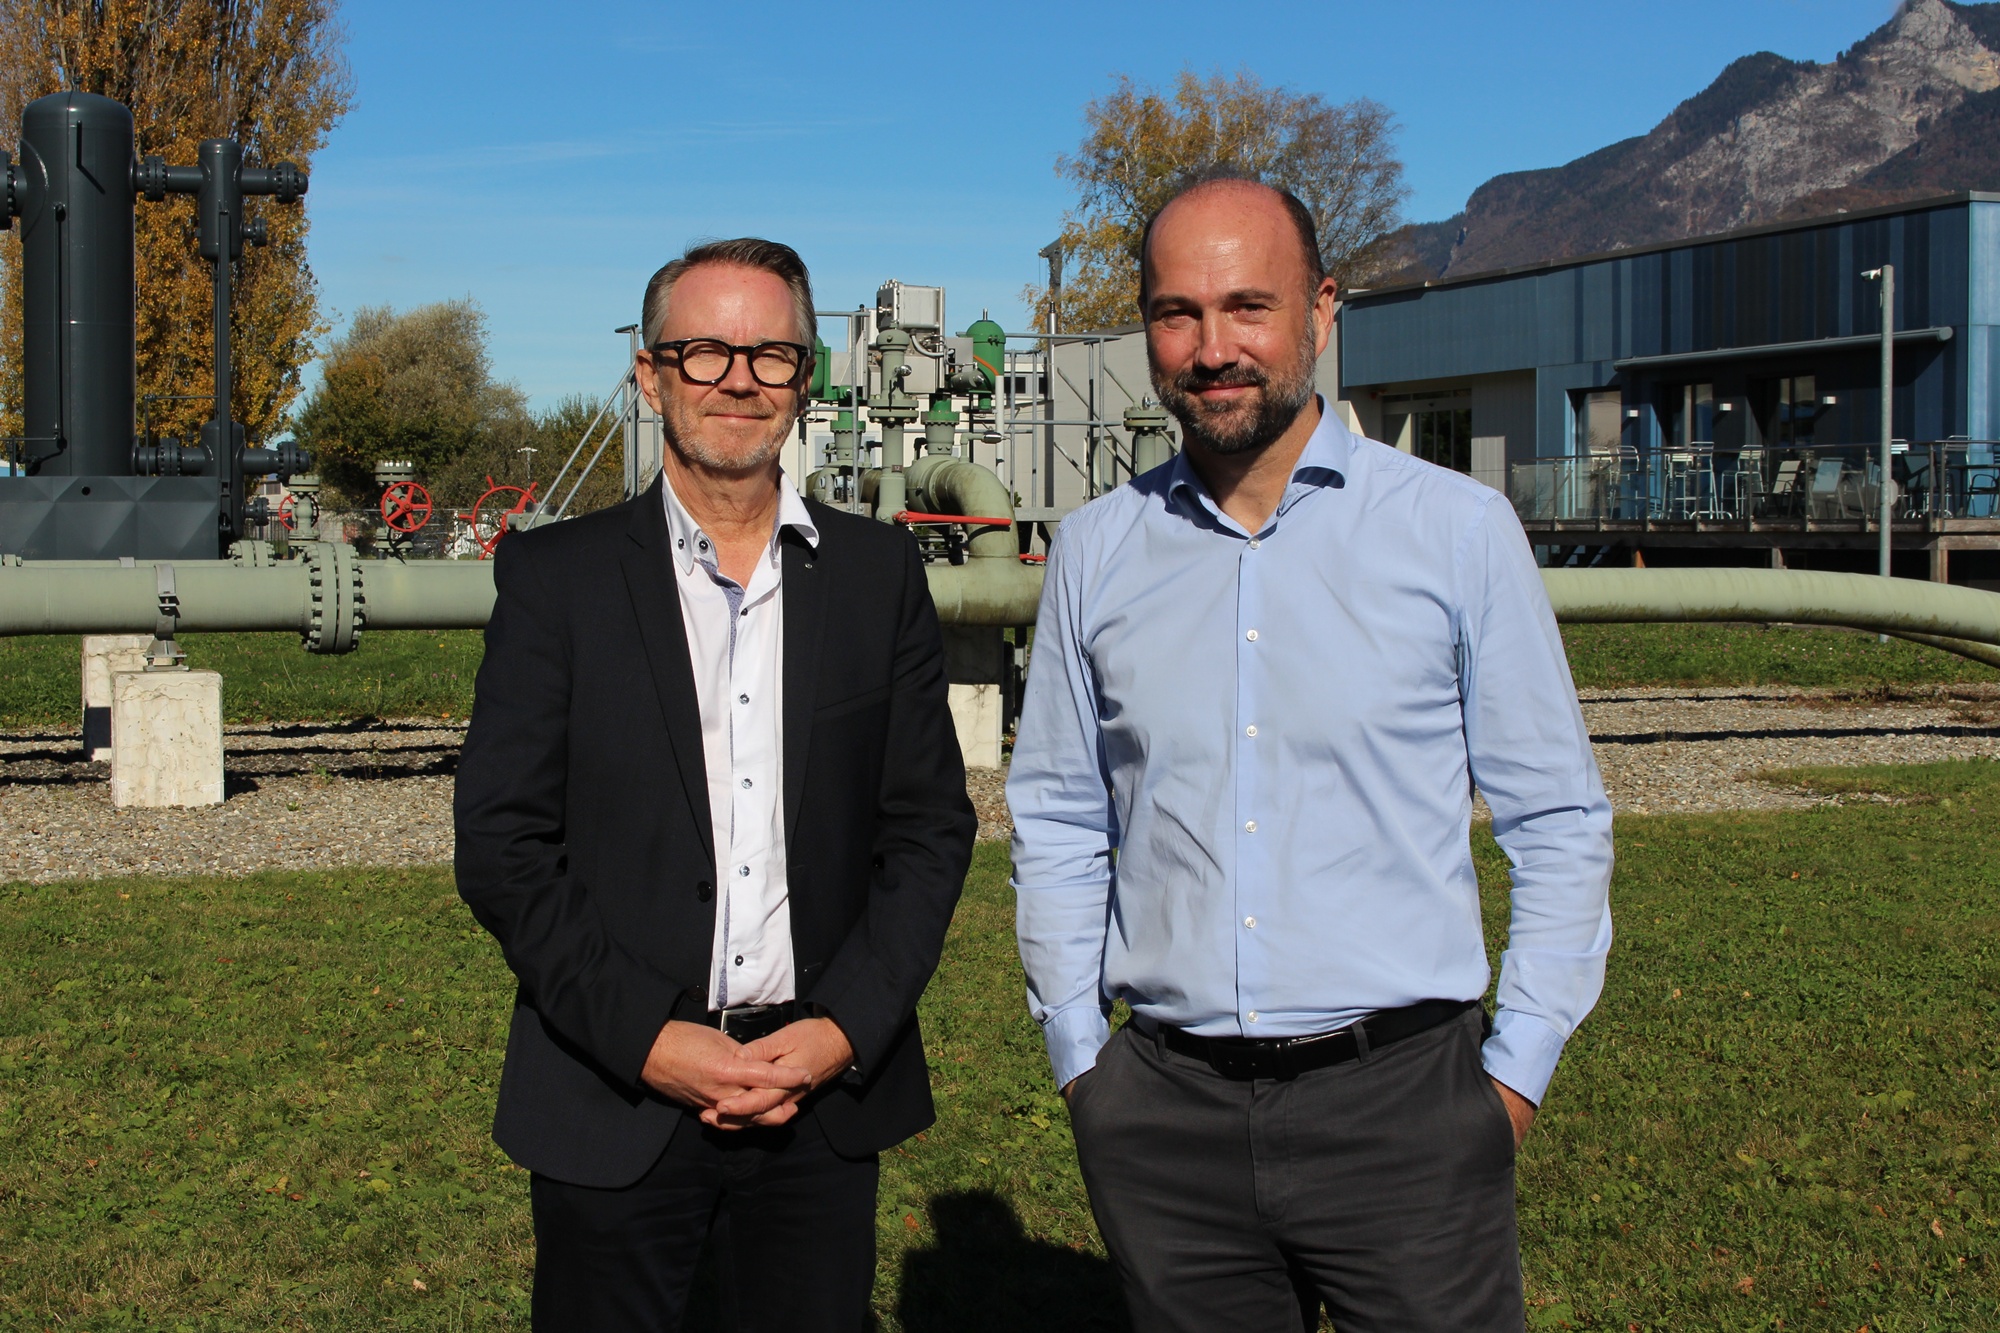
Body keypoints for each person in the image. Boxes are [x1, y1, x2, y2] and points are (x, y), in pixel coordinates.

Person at [1008, 174, 1614, 1331]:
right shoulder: (1095, 550)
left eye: (1249, 305)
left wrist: (1513, 1075)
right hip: (1164, 1116)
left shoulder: (1453, 531)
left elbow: (1555, 819)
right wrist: (1083, 1063)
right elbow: (1058, 817)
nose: (1212, 347)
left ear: (1321, 310)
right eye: (1177, 313)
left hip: (1406, 1111)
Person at [455, 236, 976, 1332]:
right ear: (650, 375)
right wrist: (648, 1038)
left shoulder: (877, 577)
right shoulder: (556, 580)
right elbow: (504, 846)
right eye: (704, 352)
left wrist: (842, 1030)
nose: (739, 380)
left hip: (816, 1098)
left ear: (803, 379)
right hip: (615, 1090)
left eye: (770, 354)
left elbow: (928, 830)